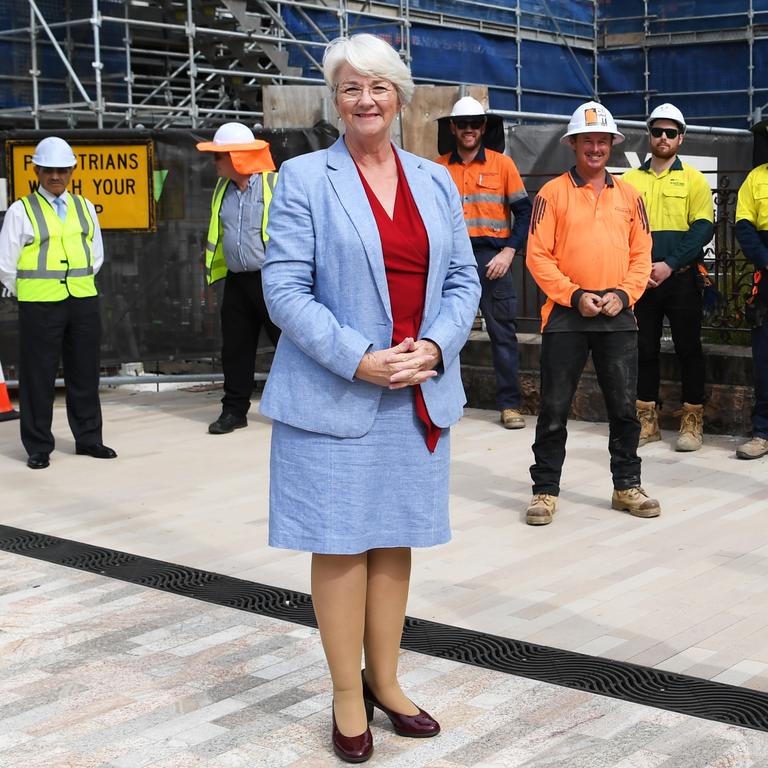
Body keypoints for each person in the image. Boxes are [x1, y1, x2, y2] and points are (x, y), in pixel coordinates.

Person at [260, 33, 480, 763]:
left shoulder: (435, 180)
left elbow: (464, 282)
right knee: (340, 543)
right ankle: (346, 694)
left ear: (401, 97)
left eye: (378, 87)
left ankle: (386, 681)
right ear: (335, 98)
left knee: (393, 537)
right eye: (351, 87)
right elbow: (283, 288)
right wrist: (359, 360)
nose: (365, 100)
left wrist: (438, 345)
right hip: (337, 394)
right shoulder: (302, 178)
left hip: (416, 391)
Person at [524, 101, 661, 525]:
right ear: (574, 145)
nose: (596, 148)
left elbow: (642, 255)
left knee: (623, 409)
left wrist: (624, 294)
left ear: (612, 146)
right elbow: (537, 256)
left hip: (618, 314)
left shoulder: (630, 196)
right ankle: (544, 491)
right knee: (553, 408)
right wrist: (573, 294)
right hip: (566, 314)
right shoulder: (552, 193)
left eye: (603, 141)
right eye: (588, 141)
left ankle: (626, 486)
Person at [0, 136, 116, 470]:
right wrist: (31, 293)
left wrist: (77, 284)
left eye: (62, 170)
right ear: (36, 170)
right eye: (49, 170)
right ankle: (38, 446)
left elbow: (95, 254)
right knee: (38, 376)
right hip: (40, 304)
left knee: (85, 373)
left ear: (71, 172)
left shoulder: (83, 206)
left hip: (81, 299)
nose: (56, 176)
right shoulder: (21, 210)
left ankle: (89, 439)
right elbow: (7, 263)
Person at [436, 97, 532, 429]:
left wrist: (508, 253)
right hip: (450, 263)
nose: (468, 130)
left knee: (503, 334)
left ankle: (510, 405)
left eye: (475, 124)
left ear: (483, 127)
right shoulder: (437, 168)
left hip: (493, 260)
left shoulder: (502, 165)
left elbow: (524, 214)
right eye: (462, 124)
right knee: (443, 335)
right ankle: (442, 405)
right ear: (452, 127)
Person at [622, 104, 714, 451]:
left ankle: (692, 419)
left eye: (670, 132)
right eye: (657, 131)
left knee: (689, 348)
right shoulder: (630, 181)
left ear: (681, 138)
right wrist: (641, 267)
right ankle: (647, 419)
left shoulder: (693, 179)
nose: (663, 138)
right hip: (641, 280)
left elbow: (703, 228)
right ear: (649, 135)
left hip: (680, 278)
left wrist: (669, 263)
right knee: (642, 349)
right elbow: (622, 229)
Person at [196, 123, 280, 435]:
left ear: (238, 157)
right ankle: (234, 411)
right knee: (235, 348)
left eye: (220, 156)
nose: (215, 162)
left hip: (273, 280)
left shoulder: (277, 184)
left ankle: (297, 406)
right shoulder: (222, 189)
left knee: (288, 347)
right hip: (237, 281)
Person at [734, 158, 768, 459]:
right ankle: (762, 432)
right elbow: (743, 226)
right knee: (765, 361)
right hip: (767, 275)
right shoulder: (756, 178)